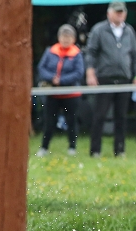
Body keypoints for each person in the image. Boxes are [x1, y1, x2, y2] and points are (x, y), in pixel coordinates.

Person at [85, 1, 136, 157]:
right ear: (109, 13)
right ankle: (95, 150)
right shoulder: (99, 30)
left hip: (124, 79)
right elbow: (91, 53)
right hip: (104, 78)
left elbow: (134, 56)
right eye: (117, 12)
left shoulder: (129, 31)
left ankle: (120, 149)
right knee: (100, 115)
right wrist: (90, 73)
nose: (120, 14)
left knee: (121, 116)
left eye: (122, 12)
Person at [36, 24, 84, 157]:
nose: (66, 39)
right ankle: (44, 148)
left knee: (71, 121)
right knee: (49, 122)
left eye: (69, 37)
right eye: (63, 36)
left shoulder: (77, 54)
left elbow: (78, 73)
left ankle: (72, 147)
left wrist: (61, 80)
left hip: (71, 94)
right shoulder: (50, 51)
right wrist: (52, 78)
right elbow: (41, 68)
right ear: (58, 37)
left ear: (74, 39)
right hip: (53, 94)